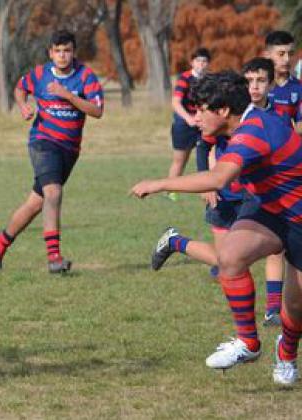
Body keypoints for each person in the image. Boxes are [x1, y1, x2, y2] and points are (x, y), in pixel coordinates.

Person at [131, 71, 302, 386]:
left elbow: (218, 178)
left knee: (295, 306)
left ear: (223, 110)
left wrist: (160, 183)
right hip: (266, 205)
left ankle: (287, 352)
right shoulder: (231, 124)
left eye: (200, 109)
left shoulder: (254, 130)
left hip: (299, 215)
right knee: (229, 258)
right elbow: (207, 149)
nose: (196, 117)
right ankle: (248, 343)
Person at [151, 58, 284, 326]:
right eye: (249, 81)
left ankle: (272, 313)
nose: (255, 87)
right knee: (226, 260)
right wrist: (209, 183)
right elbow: (206, 153)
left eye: (260, 81)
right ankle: (176, 242)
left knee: (270, 253)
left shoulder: (269, 120)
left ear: (271, 84)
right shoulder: (219, 122)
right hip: (226, 195)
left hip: (257, 196)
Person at [0, 30, 104, 273]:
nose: (62, 56)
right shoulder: (40, 73)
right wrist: (22, 105)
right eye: (57, 51)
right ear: (50, 53)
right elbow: (20, 88)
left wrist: (68, 95)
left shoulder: (85, 76)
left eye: (67, 51)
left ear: (73, 52)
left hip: (70, 149)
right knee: (53, 193)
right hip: (43, 142)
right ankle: (54, 258)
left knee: (35, 204)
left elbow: (97, 110)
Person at [164, 48, 211, 201]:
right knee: (180, 159)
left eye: (204, 61)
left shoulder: (210, 80)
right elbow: (175, 102)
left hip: (203, 123)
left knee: (208, 155)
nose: (201, 64)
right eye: (198, 61)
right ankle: (171, 190)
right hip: (184, 123)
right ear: (192, 63)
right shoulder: (185, 79)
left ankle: (207, 188)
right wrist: (188, 119)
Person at [264, 30, 302, 133]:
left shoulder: (299, 88)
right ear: (267, 55)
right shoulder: (255, 85)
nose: (287, 59)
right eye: (281, 54)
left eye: (290, 54)